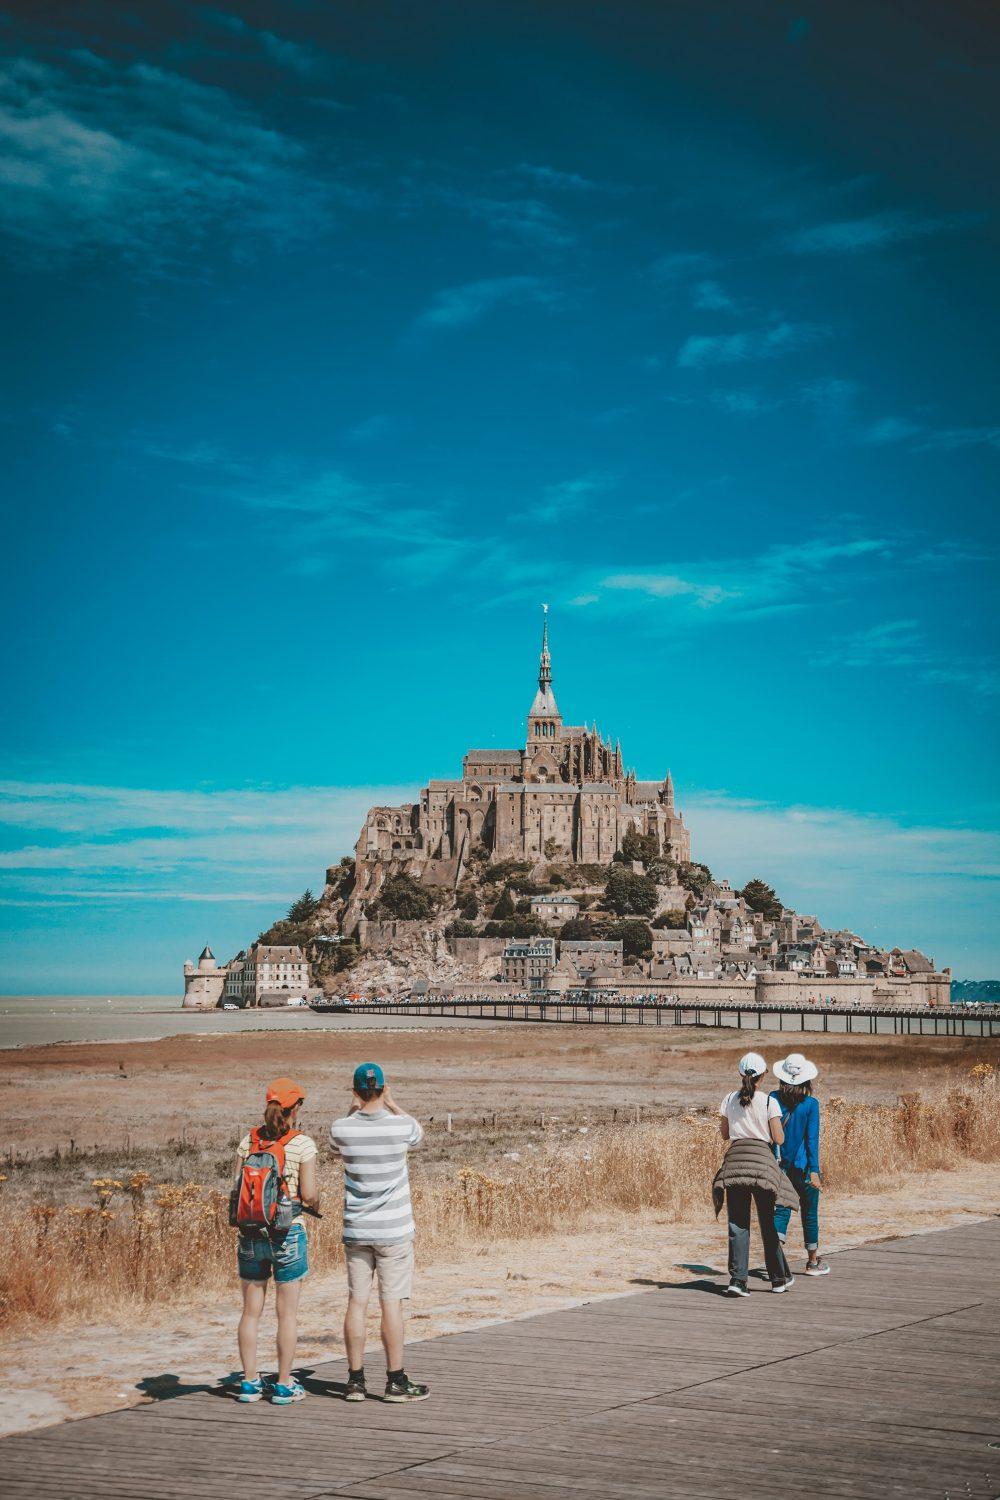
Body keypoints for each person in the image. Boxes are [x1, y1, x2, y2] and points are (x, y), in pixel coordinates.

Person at [329, 1062, 429, 1403]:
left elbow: (334, 1143)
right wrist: (393, 1103)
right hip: (394, 1231)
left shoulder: (342, 1128)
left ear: (356, 1091)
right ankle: (395, 1381)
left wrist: (352, 1108)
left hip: (357, 1230)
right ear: (383, 1088)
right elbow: (418, 1133)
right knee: (391, 1305)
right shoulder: (401, 1126)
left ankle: (355, 1380)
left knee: (356, 1303)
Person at [233, 1077, 319, 1404]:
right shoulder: (302, 1144)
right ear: (294, 1108)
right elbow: (309, 1195)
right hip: (287, 1233)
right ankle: (283, 1384)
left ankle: (249, 1381)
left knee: (250, 1312)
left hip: (250, 1233)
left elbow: (237, 1188)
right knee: (287, 1315)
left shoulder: (248, 1141)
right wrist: (317, 1204)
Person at [712, 1052, 797, 1297]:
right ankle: (778, 1279)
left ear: (741, 1074)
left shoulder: (728, 1099)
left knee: (738, 1223)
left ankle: (738, 1281)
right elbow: (779, 1138)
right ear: (763, 1075)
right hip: (762, 1164)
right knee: (768, 1222)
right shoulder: (769, 1102)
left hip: (736, 1162)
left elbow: (725, 1135)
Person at [771, 1053, 830, 1276]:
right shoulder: (811, 1105)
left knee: (781, 1211)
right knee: (810, 1213)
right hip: (804, 1166)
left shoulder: (773, 1098)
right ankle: (813, 1262)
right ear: (806, 1080)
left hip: (780, 1166)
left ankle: (774, 1263)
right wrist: (814, 1170)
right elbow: (812, 1140)